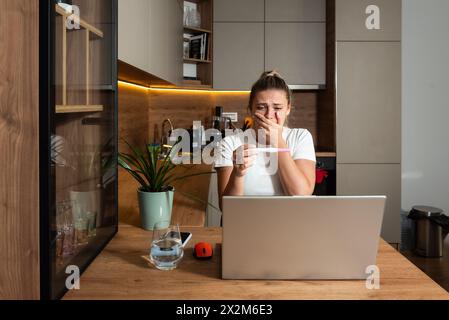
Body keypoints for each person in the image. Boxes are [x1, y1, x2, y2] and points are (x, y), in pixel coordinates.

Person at [214, 71, 316, 209]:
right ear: (250, 109)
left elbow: (300, 195)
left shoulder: (300, 137)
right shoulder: (230, 143)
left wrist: (278, 141)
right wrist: (238, 174)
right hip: (245, 224)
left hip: (290, 224)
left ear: (288, 109)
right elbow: (227, 209)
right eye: (261, 107)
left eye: (278, 108)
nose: (269, 115)